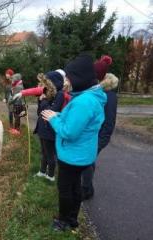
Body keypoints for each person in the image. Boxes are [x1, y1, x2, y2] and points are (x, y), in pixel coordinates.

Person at [41, 54, 107, 231]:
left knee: (65, 189)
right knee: (75, 187)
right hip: (82, 155)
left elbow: (69, 132)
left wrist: (54, 119)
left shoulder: (84, 102)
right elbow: (76, 121)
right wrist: (59, 115)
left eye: (68, 78)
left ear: (79, 78)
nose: (66, 82)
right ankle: (72, 219)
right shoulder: (91, 97)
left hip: (73, 156)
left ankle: (63, 221)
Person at [81, 55, 118, 200]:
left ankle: (86, 189)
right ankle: (87, 187)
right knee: (88, 162)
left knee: (87, 162)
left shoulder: (108, 96)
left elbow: (109, 122)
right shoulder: (97, 92)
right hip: (92, 135)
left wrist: (100, 142)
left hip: (98, 137)